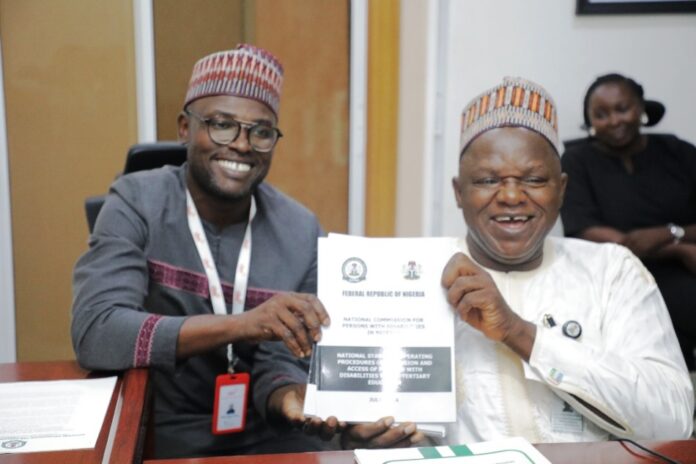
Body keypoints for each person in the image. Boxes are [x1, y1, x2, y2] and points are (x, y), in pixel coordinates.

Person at [339, 76, 693, 448]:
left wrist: (517, 332)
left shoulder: (611, 272)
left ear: (562, 190)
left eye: (535, 179)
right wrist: (380, 438)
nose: (511, 196)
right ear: (459, 193)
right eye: (489, 180)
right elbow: (386, 424)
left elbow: (673, 423)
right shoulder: (409, 279)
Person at [71, 44, 336, 458]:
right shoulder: (136, 201)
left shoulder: (301, 230)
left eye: (261, 131)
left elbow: (281, 361)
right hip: (158, 428)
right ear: (184, 128)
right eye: (221, 125)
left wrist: (290, 401)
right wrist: (242, 325)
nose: (243, 145)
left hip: (264, 431)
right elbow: (97, 332)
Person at [560, 73, 696, 371]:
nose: (614, 120)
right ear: (590, 121)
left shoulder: (678, 152)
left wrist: (670, 233)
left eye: (622, 109)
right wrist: (677, 248)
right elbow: (587, 232)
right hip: (616, 275)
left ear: (641, 109)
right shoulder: (575, 162)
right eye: (601, 114)